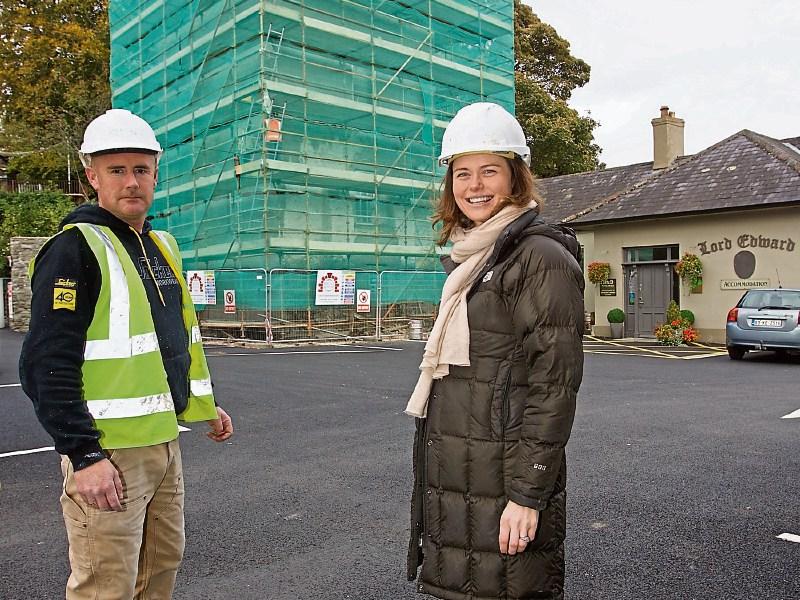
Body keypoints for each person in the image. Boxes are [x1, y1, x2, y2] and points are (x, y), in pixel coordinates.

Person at [19, 108, 233, 599]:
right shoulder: (74, 249)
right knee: (106, 584)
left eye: (141, 169)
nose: (131, 181)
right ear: (92, 175)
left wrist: (201, 406)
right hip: (109, 452)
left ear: (156, 174)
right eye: (117, 170)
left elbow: (168, 343)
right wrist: (84, 453)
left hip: (162, 441)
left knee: (158, 570)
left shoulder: (160, 246)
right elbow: (44, 363)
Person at [405, 102, 584, 599]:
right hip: (460, 482)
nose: (475, 185)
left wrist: (528, 495)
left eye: (490, 170)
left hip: (504, 483)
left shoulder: (538, 257)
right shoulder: (475, 257)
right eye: (463, 173)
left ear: (516, 178)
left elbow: (555, 387)